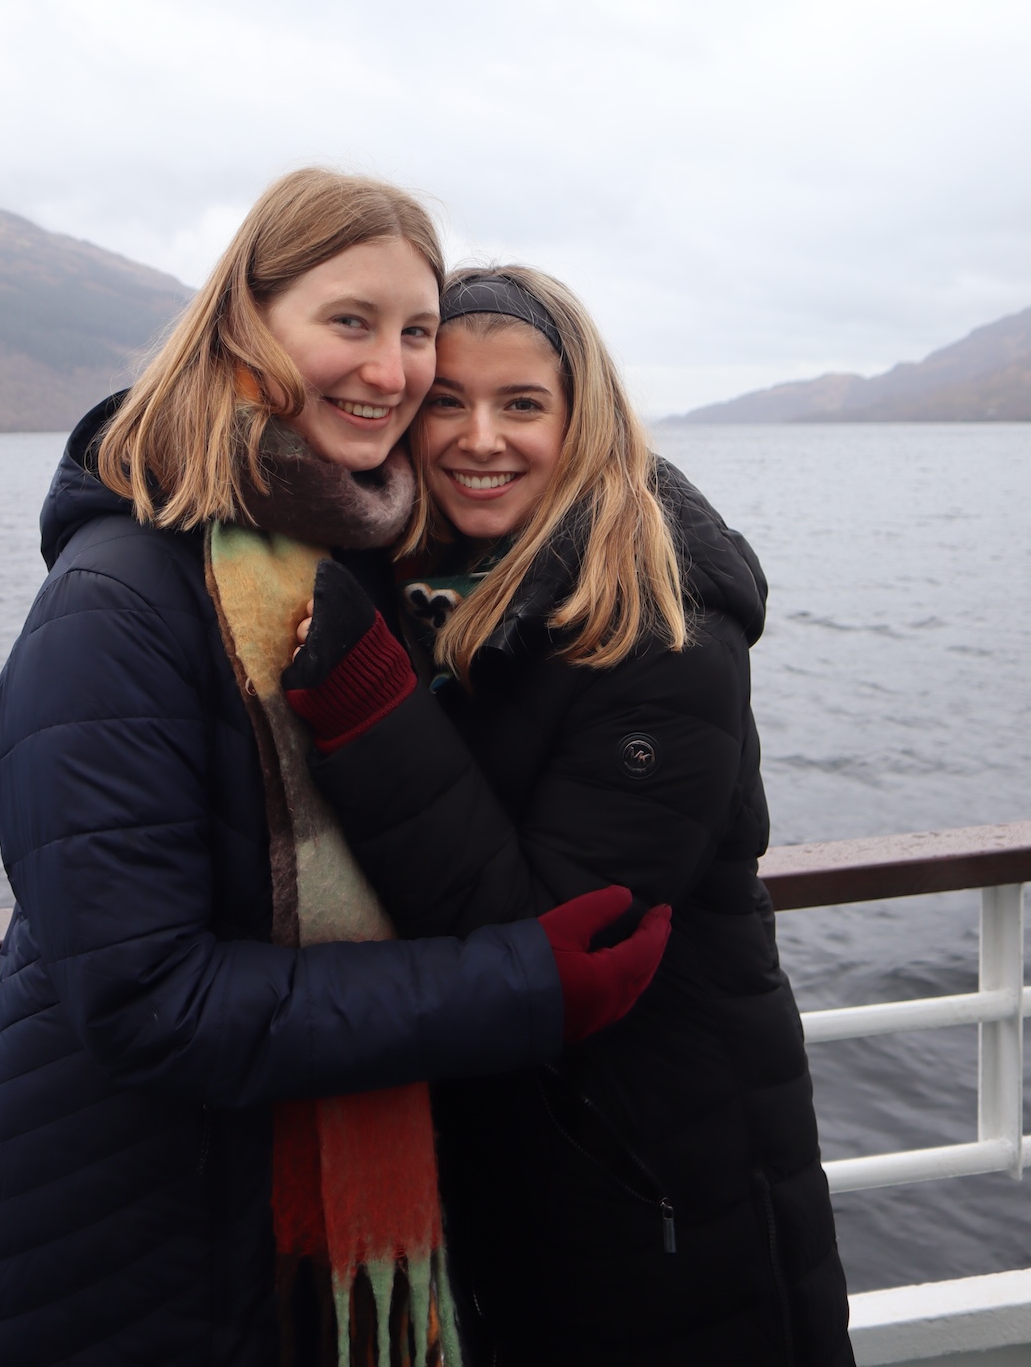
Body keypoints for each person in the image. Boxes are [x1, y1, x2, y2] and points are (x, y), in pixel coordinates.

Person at [0, 179, 669, 1367]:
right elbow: (145, 999)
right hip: (139, 1245)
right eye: (350, 321)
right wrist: (511, 988)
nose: (392, 371)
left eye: (415, 330)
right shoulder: (119, 601)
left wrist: (632, 509)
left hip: (290, 1261)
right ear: (245, 323)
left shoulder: (351, 561)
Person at [285, 265, 855, 1367]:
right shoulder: (449, 580)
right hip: (527, 1177)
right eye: (445, 400)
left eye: (521, 405)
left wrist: (367, 709)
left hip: (659, 1194)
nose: (476, 438)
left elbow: (551, 936)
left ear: (580, 415)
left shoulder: (659, 623)